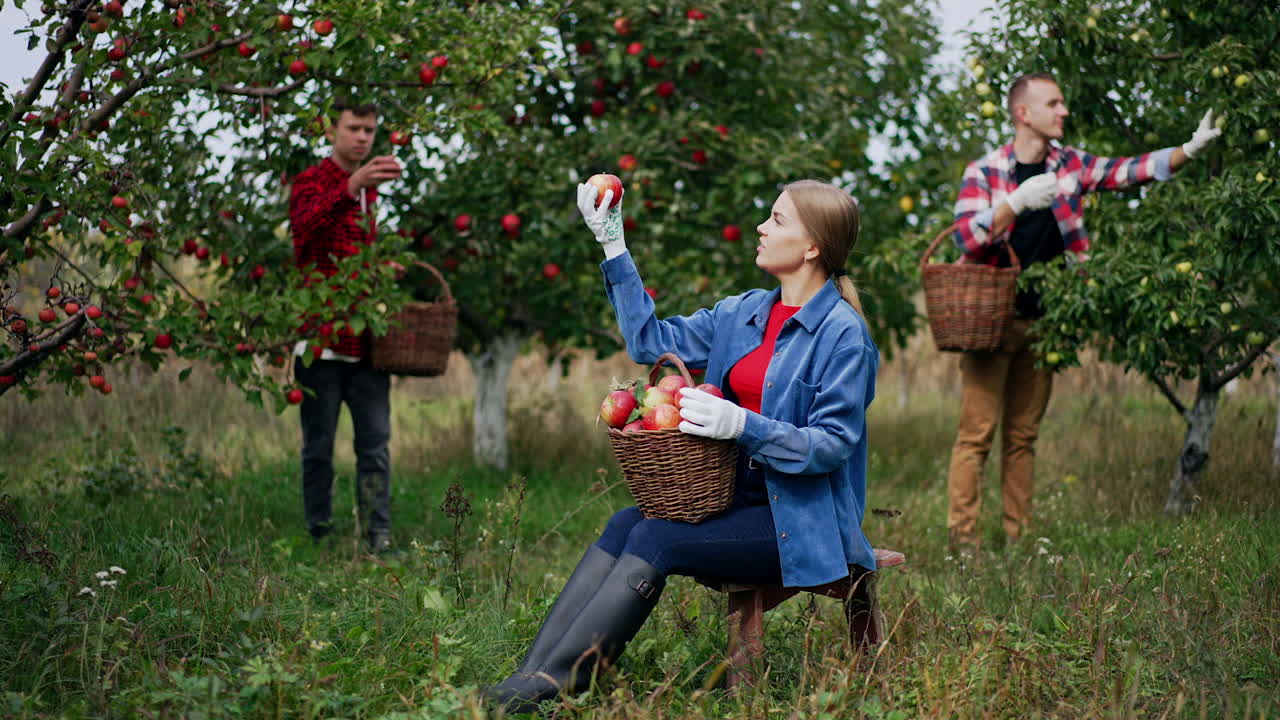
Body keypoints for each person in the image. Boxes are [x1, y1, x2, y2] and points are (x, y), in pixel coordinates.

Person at [484, 179, 879, 713]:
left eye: (778, 220)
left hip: (805, 523)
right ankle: (529, 676)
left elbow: (831, 446)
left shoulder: (842, 334)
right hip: (734, 501)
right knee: (626, 522)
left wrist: (743, 426)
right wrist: (613, 246)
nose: (762, 227)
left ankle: (556, 687)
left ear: (812, 247)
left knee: (658, 539)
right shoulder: (743, 314)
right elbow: (652, 343)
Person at [946, 72, 1221, 551]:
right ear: (1022, 113)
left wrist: (1188, 150)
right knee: (976, 436)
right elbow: (964, 238)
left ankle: (1018, 539)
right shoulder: (986, 171)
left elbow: (1128, 170)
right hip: (991, 322)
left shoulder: (1070, 164)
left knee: (1022, 437)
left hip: (1048, 323)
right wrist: (1013, 203)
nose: (1063, 111)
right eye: (1053, 103)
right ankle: (963, 546)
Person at [288, 98, 403, 552]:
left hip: (366, 342)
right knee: (319, 446)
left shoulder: (369, 194)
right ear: (331, 130)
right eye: (354, 128)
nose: (362, 137)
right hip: (320, 341)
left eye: (369, 130)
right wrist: (351, 183)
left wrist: (380, 269)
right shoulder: (312, 181)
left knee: (374, 445)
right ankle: (319, 532)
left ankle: (377, 536)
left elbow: (350, 257)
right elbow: (304, 233)